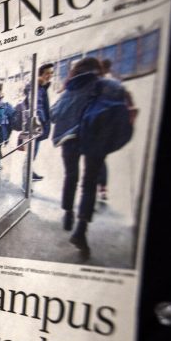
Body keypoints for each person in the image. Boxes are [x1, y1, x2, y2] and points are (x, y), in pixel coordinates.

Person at [50, 57, 130, 257]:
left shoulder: (70, 89)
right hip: (93, 137)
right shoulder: (103, 85)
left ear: (77, 70)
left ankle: (68, 212)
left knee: (71, 176)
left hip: (69, 139)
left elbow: (53, 114)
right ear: (97, 70)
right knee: (89, 183)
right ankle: (81, 229)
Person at [32, 62, 54, 181]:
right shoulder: (38, 87)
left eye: (51, 73)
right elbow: (38, 105)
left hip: (40, 125)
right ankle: (27, 178)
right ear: (40, 75)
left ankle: (29, 173)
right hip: (37, 125)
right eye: (47, 73)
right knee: (32, 151)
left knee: (34, 151)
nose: (49, 76)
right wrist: (41, 121)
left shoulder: (43, 87)